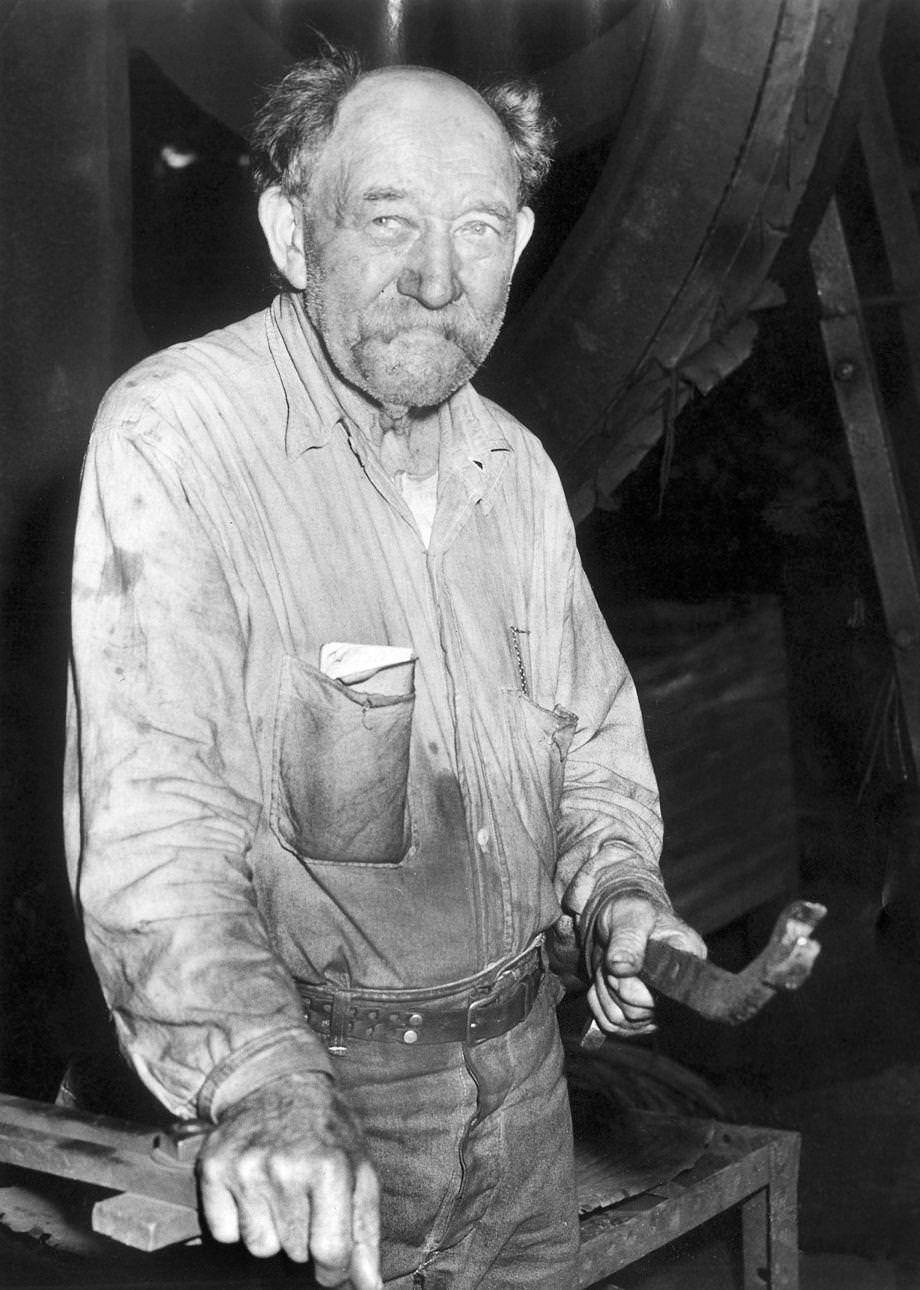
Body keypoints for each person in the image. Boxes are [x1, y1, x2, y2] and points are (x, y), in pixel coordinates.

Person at [64, 48, 706, 1290]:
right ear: (292, 236)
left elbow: (586, 746)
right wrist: (260, 1081)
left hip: (526, 1099)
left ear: (517, 242)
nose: (435, 276)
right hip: (324, 1118)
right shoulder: (179, 437)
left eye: (475, 226)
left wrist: (618, 891)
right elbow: (159, 823)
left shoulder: (509, 470)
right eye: (386, 219)